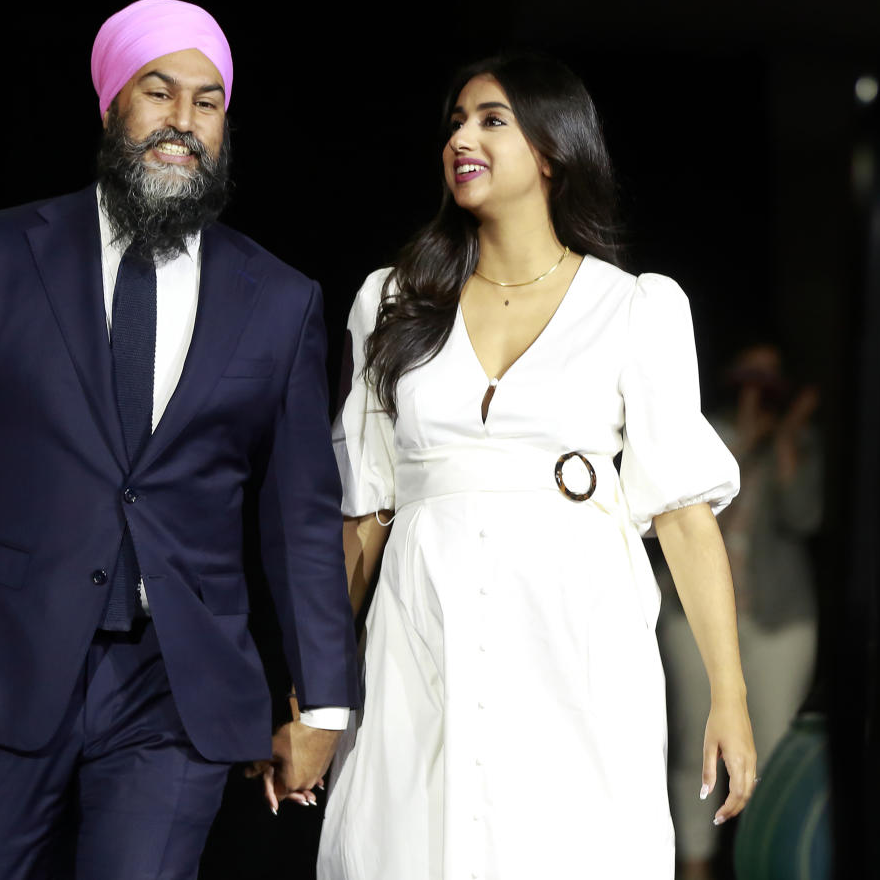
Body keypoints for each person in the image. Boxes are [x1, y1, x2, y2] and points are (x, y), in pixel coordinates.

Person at [0, 0, 357, 880]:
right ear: (113, 100)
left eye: (206, 102)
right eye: (159, 93)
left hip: (176, 685)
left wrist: (326, 703)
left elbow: (301, 518)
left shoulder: (280, 299)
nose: (182, 123)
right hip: (2, 660)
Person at [314, 54, 758, 879]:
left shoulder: (635, 308)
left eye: (491, 119)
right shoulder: (392, 301)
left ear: (552, 150)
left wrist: (729, 695)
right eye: (454, 121)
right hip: (422, 639)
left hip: (575, 645)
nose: (462, 137)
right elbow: (364, 517)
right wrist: (318, 695)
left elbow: (685, 520)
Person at [660, 342, 821, 880]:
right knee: (692, 740)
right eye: (749, 372)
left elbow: (804, 518)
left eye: (770, 376)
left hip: (779, 619)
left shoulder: (802, 443)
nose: (758, 386)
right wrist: (747, 445)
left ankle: (762, 862)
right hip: (693, 613)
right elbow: (689, 527)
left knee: (772, 749)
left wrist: (786, 439)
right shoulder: (702, 432)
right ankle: (696, 865)